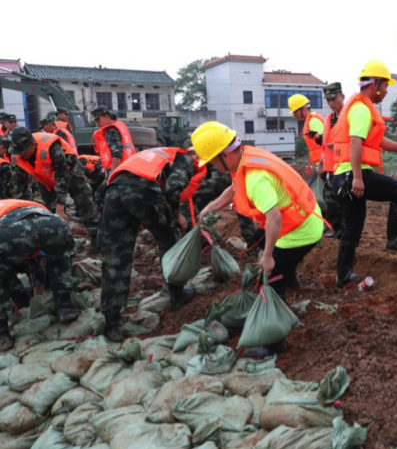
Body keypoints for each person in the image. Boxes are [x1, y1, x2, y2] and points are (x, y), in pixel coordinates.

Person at [193, 122, 324, 303]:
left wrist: (269, 257)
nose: (213, 166)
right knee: (258, 237)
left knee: (270, 281)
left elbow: (274, 217)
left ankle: (279, 314)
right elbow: (234, 188)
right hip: (305, 215)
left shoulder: (255, 179)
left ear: (224, 154)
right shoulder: (246, 156)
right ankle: (289, 273)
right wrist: (210, 207)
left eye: (212, 161)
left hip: (301, 229)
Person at [332, 60, 397, 287]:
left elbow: (375, 141)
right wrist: (359, 178)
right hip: (353, 175)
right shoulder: (361, 109)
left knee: (353, 227)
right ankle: (395, 239)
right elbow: (355, 142)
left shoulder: (358, 107)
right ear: (376, 84)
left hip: (342, 176)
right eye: (386, 86)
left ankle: (343, 275)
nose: (387, 90)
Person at [99, 147, 198, 341]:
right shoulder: (184, 159)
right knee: (169, 239)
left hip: (114, 191)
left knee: (115, 256)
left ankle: (112, 321)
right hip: (142, 191)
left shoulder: (155, 154)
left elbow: (101, 191)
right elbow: (172, 190)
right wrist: (178, 217)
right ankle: (177, 293)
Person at [0, 199, 80, 351]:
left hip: (9, 232)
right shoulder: (17, 203)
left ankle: (2, 335)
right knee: (60, 259)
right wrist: (38, 299)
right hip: (52, 224)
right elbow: (39, 258)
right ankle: (65, 307)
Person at [7, 127, 100, 229]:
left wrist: (61, 206)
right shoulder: (17, 156)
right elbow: (19, 187)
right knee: (50, 208)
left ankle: (95, 232)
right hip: (43, 175)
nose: (22, 154)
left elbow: (62, 176)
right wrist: (21, 212)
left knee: (84, 203)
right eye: (19, 151)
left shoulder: (51, 147)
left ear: (32, 143)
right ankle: (57, 234)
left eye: (24, 150)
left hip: (69, 172)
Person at [319, 82, 346, 236]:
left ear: (342, 96)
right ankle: (337, 230)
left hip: (344, 167)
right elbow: (324, 144)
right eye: (328, 100)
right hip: (330, 168)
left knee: (344, 203)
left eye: (334, 99)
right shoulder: (328, 119)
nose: (331, 103)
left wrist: (339, 144)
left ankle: (345, 232)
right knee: (330, 202)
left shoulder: (348, 115)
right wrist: (321, 164)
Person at [289, 94, 324, 175]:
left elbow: (326, 143)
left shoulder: (313, 121)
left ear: (303, 108)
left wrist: (322, 164)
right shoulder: (311, 120)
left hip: (325, 166)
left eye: (295, 111)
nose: (294, 114)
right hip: (322, 165)